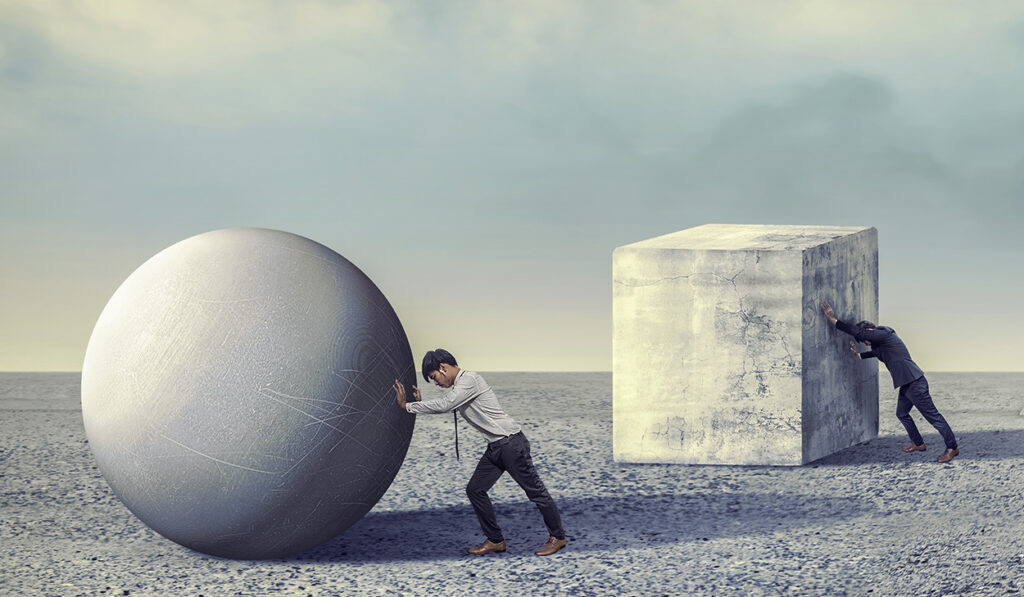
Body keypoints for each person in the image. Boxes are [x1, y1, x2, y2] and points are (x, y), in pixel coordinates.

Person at [392, 348, 567, 556]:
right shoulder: (461, 386)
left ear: (443, 367)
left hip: (511, 444)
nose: (436, 383)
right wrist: (420, 404)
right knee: (475, 490)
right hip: (496, 448)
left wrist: (408, 406)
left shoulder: (470, 380)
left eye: (435, 378)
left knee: (536, 493)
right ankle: (495, 540)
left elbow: (447, 404)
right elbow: (449, 402)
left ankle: (558, 537)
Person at [820, 301, 958, 463]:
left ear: (869, 331)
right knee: (902, 413)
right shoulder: (882, 345)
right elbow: (876, 353)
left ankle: (952, 448)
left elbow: (857, 332)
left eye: (865, 340)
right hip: (907, 384)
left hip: (915, 382)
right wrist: (860, 356)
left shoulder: (884, 334)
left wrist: (833, 319)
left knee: (933, 417)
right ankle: (919, 444)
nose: (865, 343)